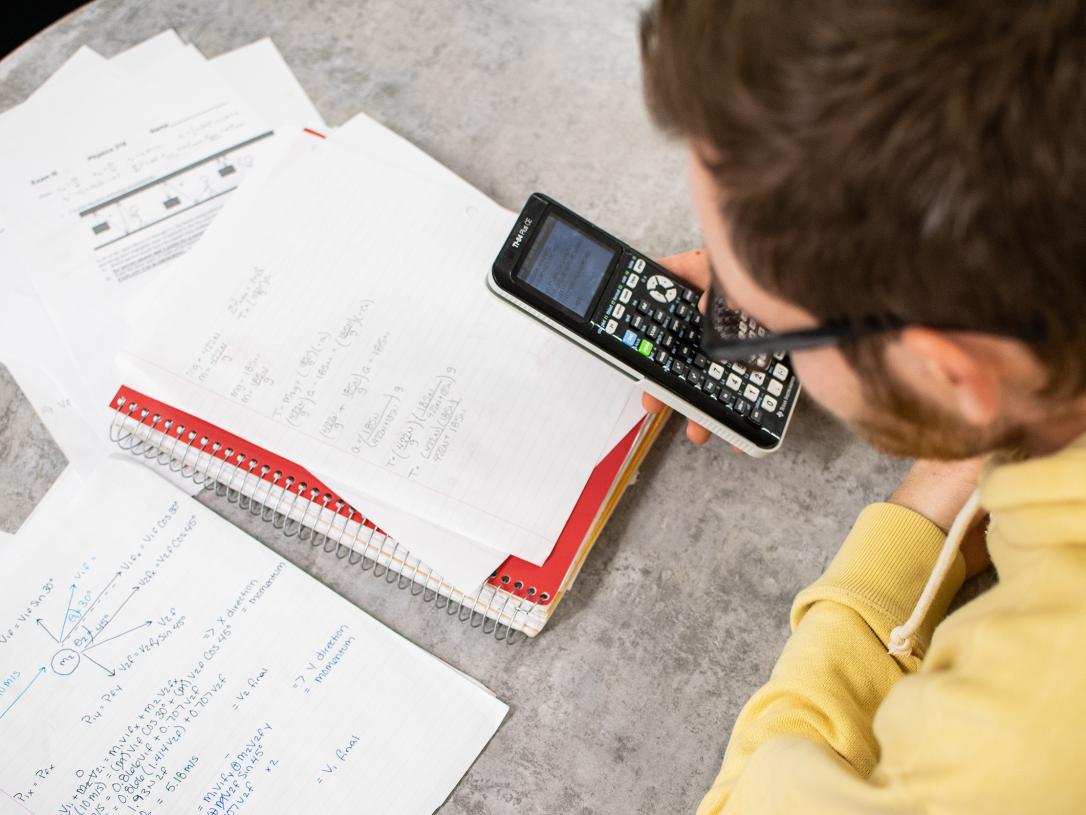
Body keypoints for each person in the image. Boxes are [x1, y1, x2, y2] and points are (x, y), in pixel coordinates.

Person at [637, 1, 1086, 812]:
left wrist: (917, 521)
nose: (741, 313)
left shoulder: (1010, 745)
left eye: (761, 320)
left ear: (950, 368)